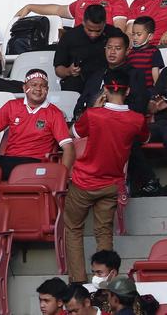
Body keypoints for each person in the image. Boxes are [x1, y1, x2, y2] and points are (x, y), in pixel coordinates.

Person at [63, 71, 147, 283]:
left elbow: (75, 132)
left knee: (73, 229)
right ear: (127, 91)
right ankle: (105, 281)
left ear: (105, 90)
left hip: (83, 182)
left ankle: (78, 281)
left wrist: (94, 108)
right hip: (111, 183)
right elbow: (145, 138)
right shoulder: (136, 119)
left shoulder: (93, 115)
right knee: (104, 233)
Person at [0, 69, 74, 179]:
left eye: (43, 86)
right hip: (9, 160)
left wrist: (61, 177)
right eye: (33, 85)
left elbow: (69, 148)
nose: (38, 89)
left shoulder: (55, 113)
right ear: (25, 88)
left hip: (36, 163)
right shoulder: (12, 106)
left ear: (47, 89)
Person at [54, 4, 125, 93]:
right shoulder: (69, 37)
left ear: (104, 23)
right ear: (83, 22)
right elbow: (58, 69)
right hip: (78, 85)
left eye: (98, 30)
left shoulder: (114, 34)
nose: (93, 34)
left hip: (107, 84)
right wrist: (69, 71)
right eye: (90, 30)